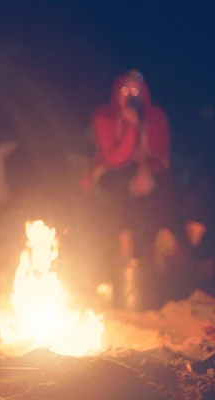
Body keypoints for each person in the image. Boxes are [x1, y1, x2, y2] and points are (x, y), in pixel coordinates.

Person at [89, 70, 174, 266]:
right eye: (125, 89)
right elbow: (114, 158)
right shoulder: (105, 117)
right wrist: (131, 126)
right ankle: (126, 256)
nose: (130, 95)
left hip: (148, 170)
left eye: (135, 90)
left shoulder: (156, 117)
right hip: (114, 170)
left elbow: (161, 155)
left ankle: (158, 255)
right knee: (120, 189)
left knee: (161, 190)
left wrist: (146, 170)